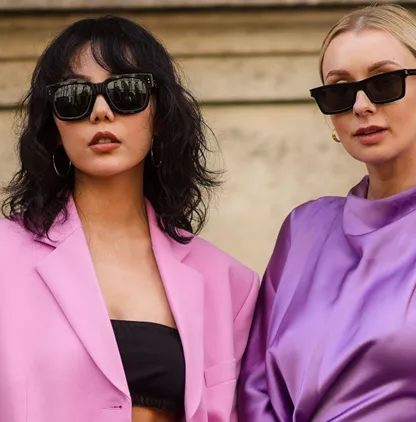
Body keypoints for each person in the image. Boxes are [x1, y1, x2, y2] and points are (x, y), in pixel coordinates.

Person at [238, 4, 416, 421]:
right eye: (339, 91)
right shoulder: (303, 229)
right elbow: (256, 387)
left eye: (384, 82)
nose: (361, 105)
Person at [0, 16, 259, 422]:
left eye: (126, 92)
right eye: (74, 97)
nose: (101, 112)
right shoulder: (5, 257)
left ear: (160, 115)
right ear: (53, 126)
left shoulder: (230, 284)